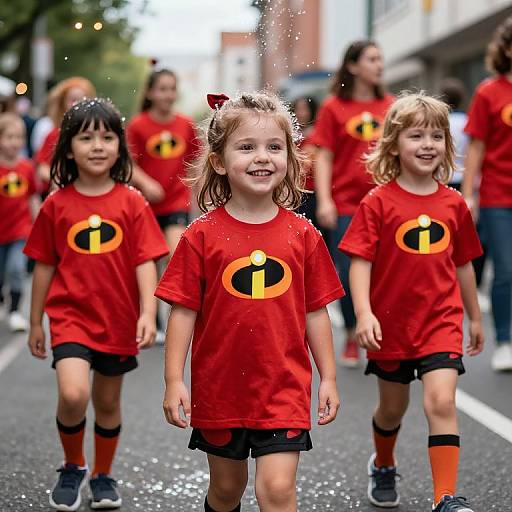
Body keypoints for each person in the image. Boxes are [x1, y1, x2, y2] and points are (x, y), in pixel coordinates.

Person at [156, 91, 343, 512]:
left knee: (276, 490)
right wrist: (174, 380)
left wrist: (327, 377)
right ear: (220, 161)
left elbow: (316, 311)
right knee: (226, 490)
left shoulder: (304, 235)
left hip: (284, 389)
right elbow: (182, 311)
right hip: (220, 390)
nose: (263, 157)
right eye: (247, 147)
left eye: (274, 147)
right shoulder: (200, 236)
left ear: (290, 159)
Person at [340, 93, 484, 512]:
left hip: (441, 321)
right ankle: (383, 462)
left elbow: (464, 266)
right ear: (394, 144)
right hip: (391, 326)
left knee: (440, 401)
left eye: (436, 136)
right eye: (416, 135)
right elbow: (360, 262)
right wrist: (364, 313)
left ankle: (445, 498)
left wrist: (474, 317)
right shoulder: (377, 202)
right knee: (392, 409)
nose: (427, 144)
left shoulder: (454, 204)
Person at [24, 98, 168, 511]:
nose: (98, 146)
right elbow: (44, 267)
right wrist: (36, 323)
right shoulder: (56, 205)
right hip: (69, 319)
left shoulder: (132, 202)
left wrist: (146, 312)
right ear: (68, 148)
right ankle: (74, 466)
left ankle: (103, 475)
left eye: (107, 137)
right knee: (73, 394)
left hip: (118, 320)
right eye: (86, 137)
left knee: (107, 404)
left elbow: (145, 260)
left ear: (120, 147)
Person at [312, 40, 394, 367]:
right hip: (346, 205)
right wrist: (325, 200)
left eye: (380, 58)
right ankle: (350, 332)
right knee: (347, 273)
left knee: (386, 272)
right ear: (353, 66)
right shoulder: (333, 108)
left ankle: (381, 331)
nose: (379, 65)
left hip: (385, 204)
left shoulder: (390, 105)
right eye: (372, 59)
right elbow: (324, 156)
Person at [462, 16, 512, 372]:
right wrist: (468, 194)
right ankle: (505, 341)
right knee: (505, 270)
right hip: (498, 195)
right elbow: (476, 148)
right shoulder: (488, 92)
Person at [0, 112, 38, 332]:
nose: (15, 142)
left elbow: (32, 196)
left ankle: (14, 311)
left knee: (16, 268)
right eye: (9, 137)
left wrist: (37, 222)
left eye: (19, 137)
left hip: (20, 230)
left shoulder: (26, 167)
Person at [35, 77, 96, 196]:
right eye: (73, 100)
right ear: (63, 103)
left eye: (83, 99)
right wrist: (60, 180)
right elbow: (42, 168)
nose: (77, 104)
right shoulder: (55, 134)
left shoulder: (97, 135)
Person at [291, 96, 320, 225]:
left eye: (304, 109)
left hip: (315, 191)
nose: (300, 113)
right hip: (296, 190)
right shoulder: (290, 136)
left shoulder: (318, 135)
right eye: (297, 109)